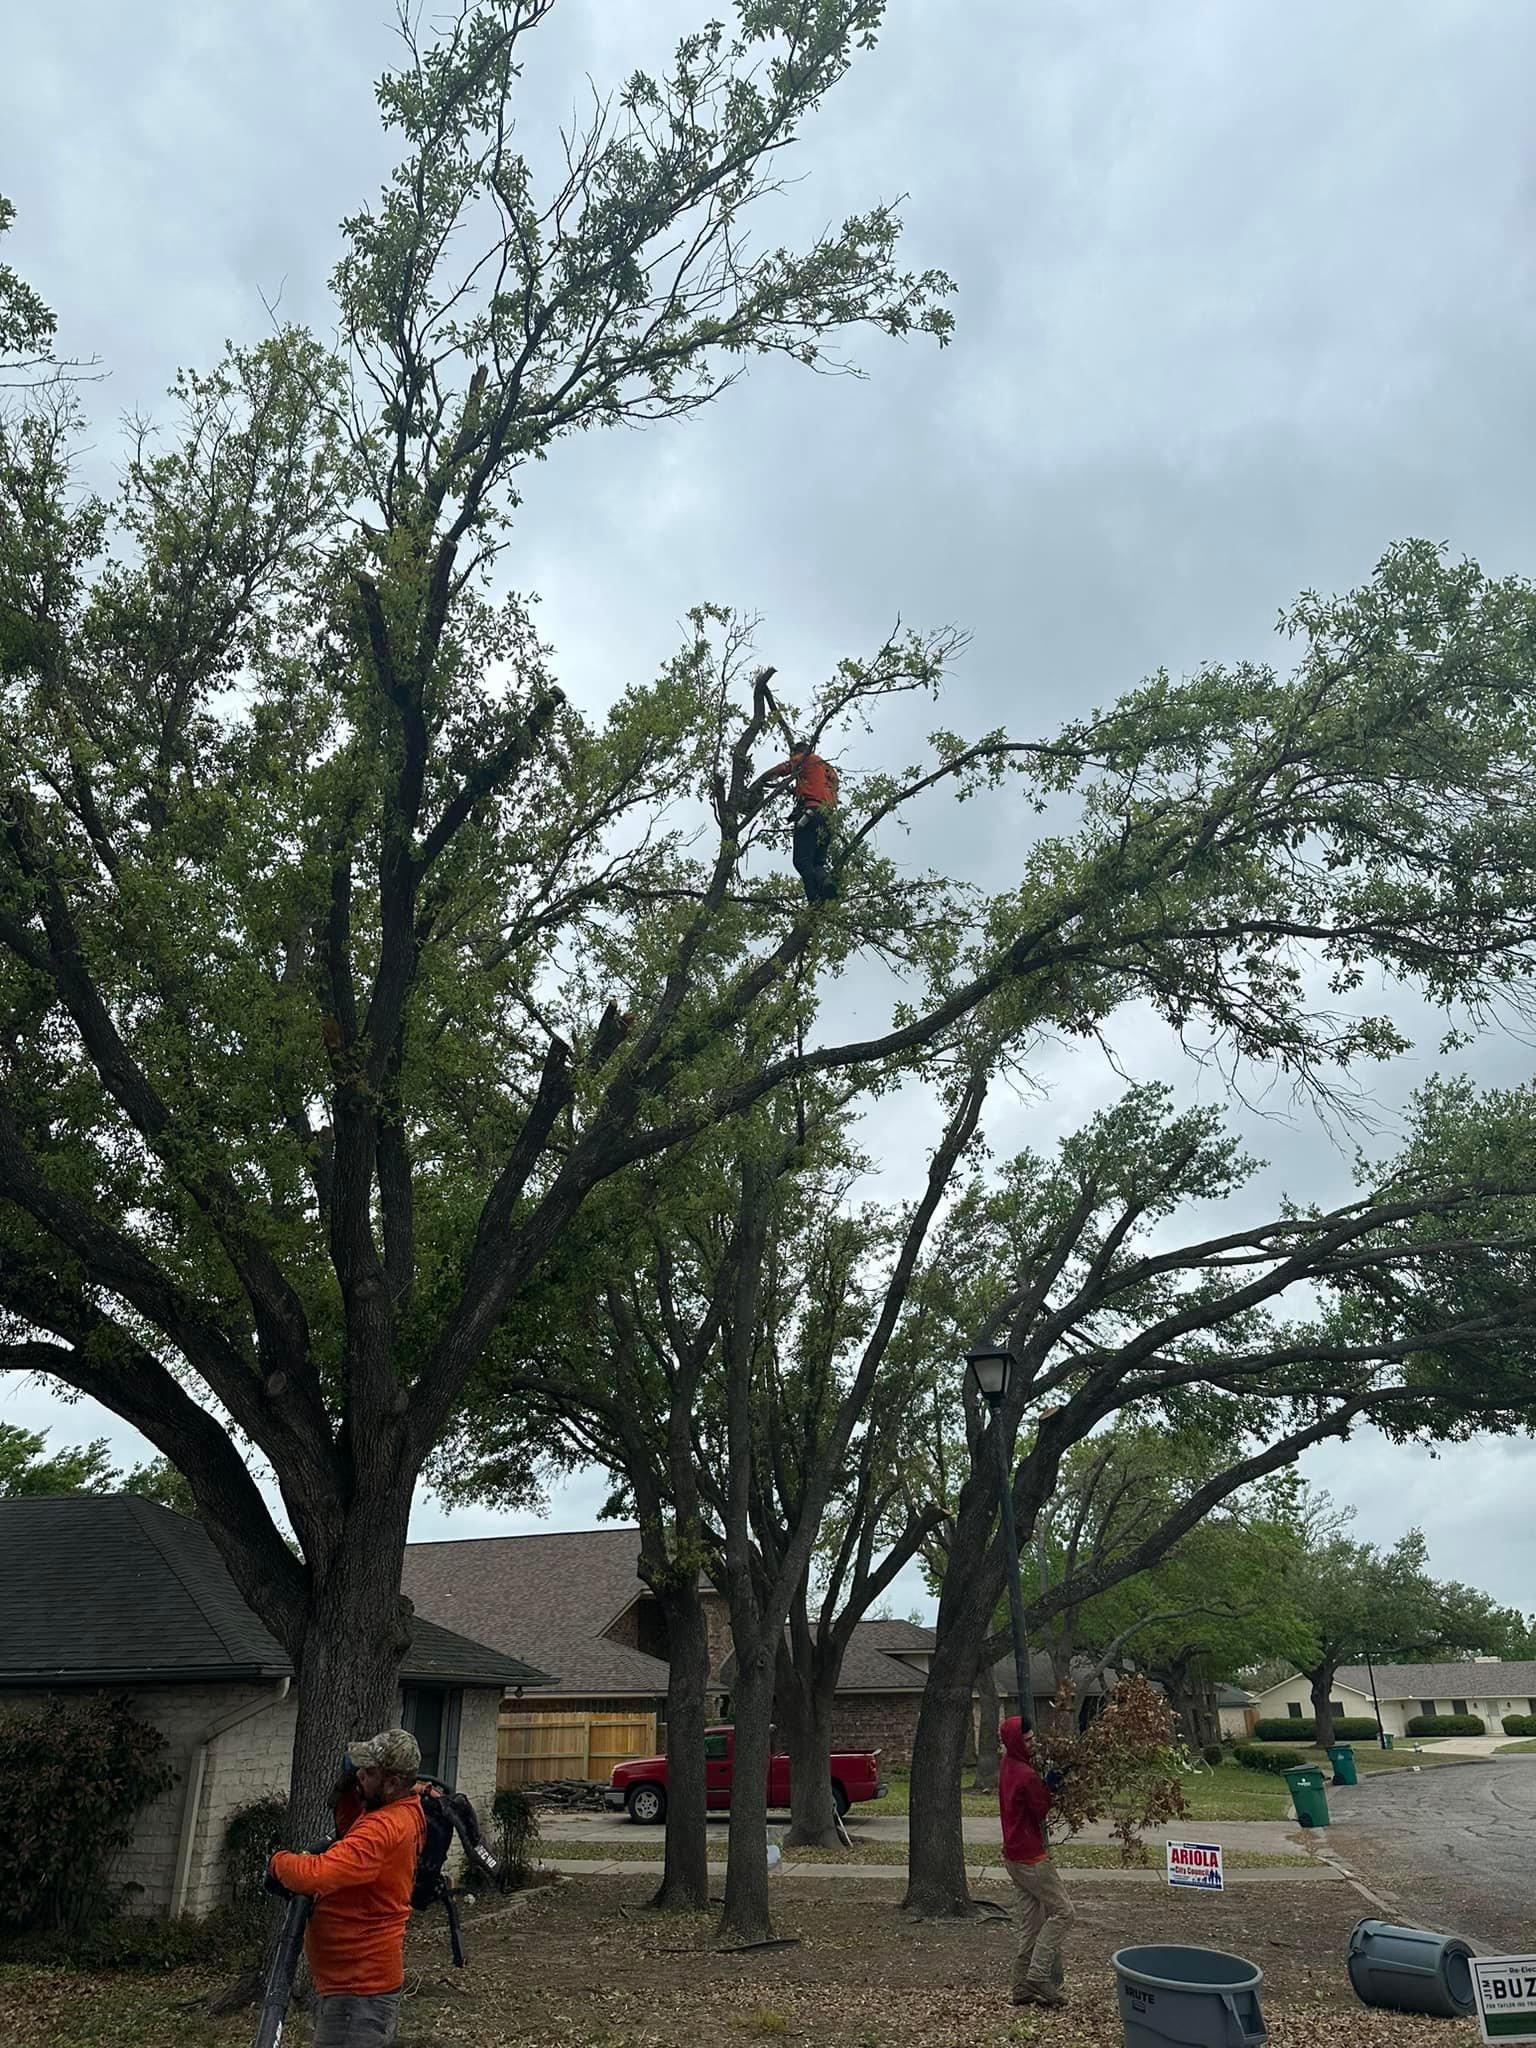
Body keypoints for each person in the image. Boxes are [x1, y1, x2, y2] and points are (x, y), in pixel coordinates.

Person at [267, 1727, 427, 2048]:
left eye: (368, 1773)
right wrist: (350, 1799)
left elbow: (316, 1875)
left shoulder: (385, 1829)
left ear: (393, 1783)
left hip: (359, 1992)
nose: (359, 1777)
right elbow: (353, 1839)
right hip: (355, 1986)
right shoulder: (400, 1810)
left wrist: (277, 1863)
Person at [998, 1714, 1074, 2010]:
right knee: (1065, 1912)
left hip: (1012, 1856)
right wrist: (1050, 1786)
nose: (1033, 1743)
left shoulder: (1008, 1766)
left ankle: (1019, 1987)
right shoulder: (1026, 1775)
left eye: (1033, 1738)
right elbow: (1040, 1808)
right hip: (1031, 1857)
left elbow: (1026, 1801)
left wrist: (1042, 1784)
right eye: (1028, 1740)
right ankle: (1039, 1976)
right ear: (1017, 1741)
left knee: (1030, 1924)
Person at [764, 739, 840, 902]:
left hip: (810, 813)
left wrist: (763, 779)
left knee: (801, 861)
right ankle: (825, 883)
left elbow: (783, 769)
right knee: (818, 862)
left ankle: (813, 898)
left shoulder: (807, 758)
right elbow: (817, 787)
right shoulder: (829, 770)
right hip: (828, 819)